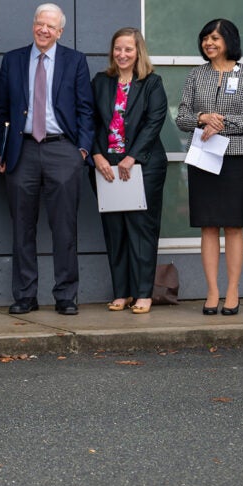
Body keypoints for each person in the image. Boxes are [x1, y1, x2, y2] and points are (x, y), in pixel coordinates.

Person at [0, 3, 93, 316]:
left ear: (60, 31)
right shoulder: (13, 59)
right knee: (22, 227)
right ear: (33, 25)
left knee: (65, 227)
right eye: (40, 23)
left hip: (62, 149)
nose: (44, 30)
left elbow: (86, 110)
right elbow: (2, 111)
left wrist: (82, 150)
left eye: (51, 26)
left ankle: (66, 295)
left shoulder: (75, 60)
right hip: (22, 151)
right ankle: (25, 295)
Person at [176, 19, 243, 316]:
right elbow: (182, 117)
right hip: (203, 157)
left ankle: (232, 290)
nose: (209, 43)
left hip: (236, 158)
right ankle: (212, 290)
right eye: (205, 38)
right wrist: (203, 118)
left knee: (234, 226)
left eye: (215, 38)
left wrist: (223, 123)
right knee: (208, 225)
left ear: (229, 40)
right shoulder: (195, 75)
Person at [91, 27, 168, 315]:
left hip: (142, 166)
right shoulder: (101, 81)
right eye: (118, 48)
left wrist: (132, 156)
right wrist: (97, 155)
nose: (122, 54)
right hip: (105, 166)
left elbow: (154, 121)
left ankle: (144, 293)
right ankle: (121, 292)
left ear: (138, 52)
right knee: (115, 231)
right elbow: (91, 120)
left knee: (141, 229)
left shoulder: (152, 83)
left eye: (128, 49)